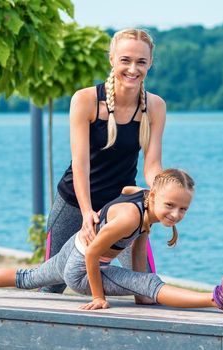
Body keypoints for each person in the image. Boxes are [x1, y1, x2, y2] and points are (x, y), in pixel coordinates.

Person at [0, 169, 223, 314]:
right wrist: (99, 297)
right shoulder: (130, 219)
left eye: (183, 209)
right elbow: (96, 252)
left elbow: (125, 192)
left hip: (75, 248)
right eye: (170, 206)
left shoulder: (139, 201)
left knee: (27, 277)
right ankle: (216, 298)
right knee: (151, 284)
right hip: (83, 267)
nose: (176, 214)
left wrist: (140, 290)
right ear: (152, 196)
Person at [43, 28, 167, 298]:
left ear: (150, 64)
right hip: (75, 201)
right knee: (50, 286)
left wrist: (164, 195)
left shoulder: (155, 106)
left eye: (141, 62)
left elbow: (152, 166)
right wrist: (87, 212)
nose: (133, 68)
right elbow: (80, 164)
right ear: (112, 59)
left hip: (122, 207)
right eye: (125, 60)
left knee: (145, 289)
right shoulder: (85, 100)